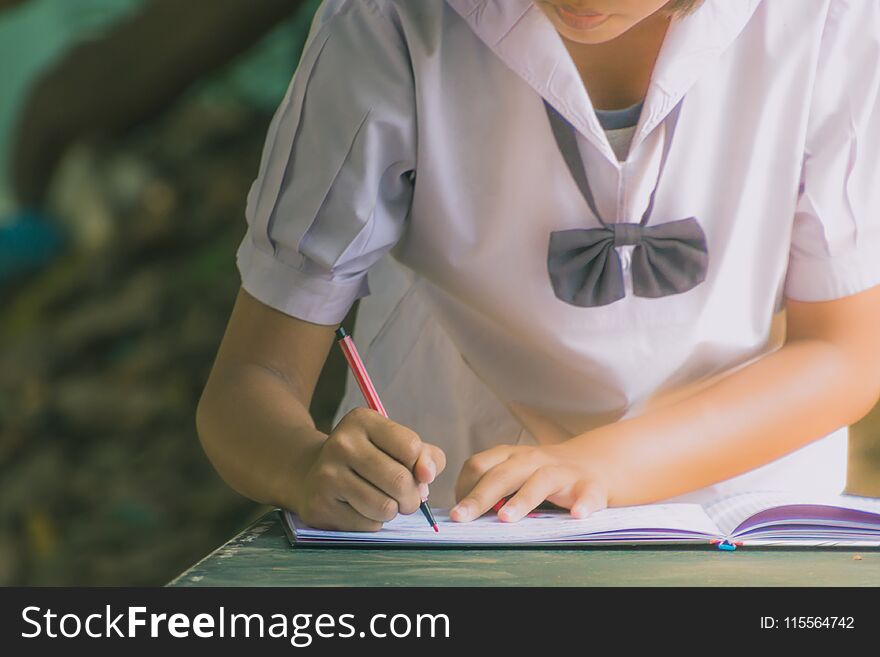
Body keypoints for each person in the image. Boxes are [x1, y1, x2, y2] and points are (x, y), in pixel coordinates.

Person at [196, 0, 880, 531]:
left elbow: (847, 354)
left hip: (742, 513)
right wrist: (303, 465)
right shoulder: (391, 23)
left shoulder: (828, 19)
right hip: (454, 519)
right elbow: (246, 387)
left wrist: (596, 465)